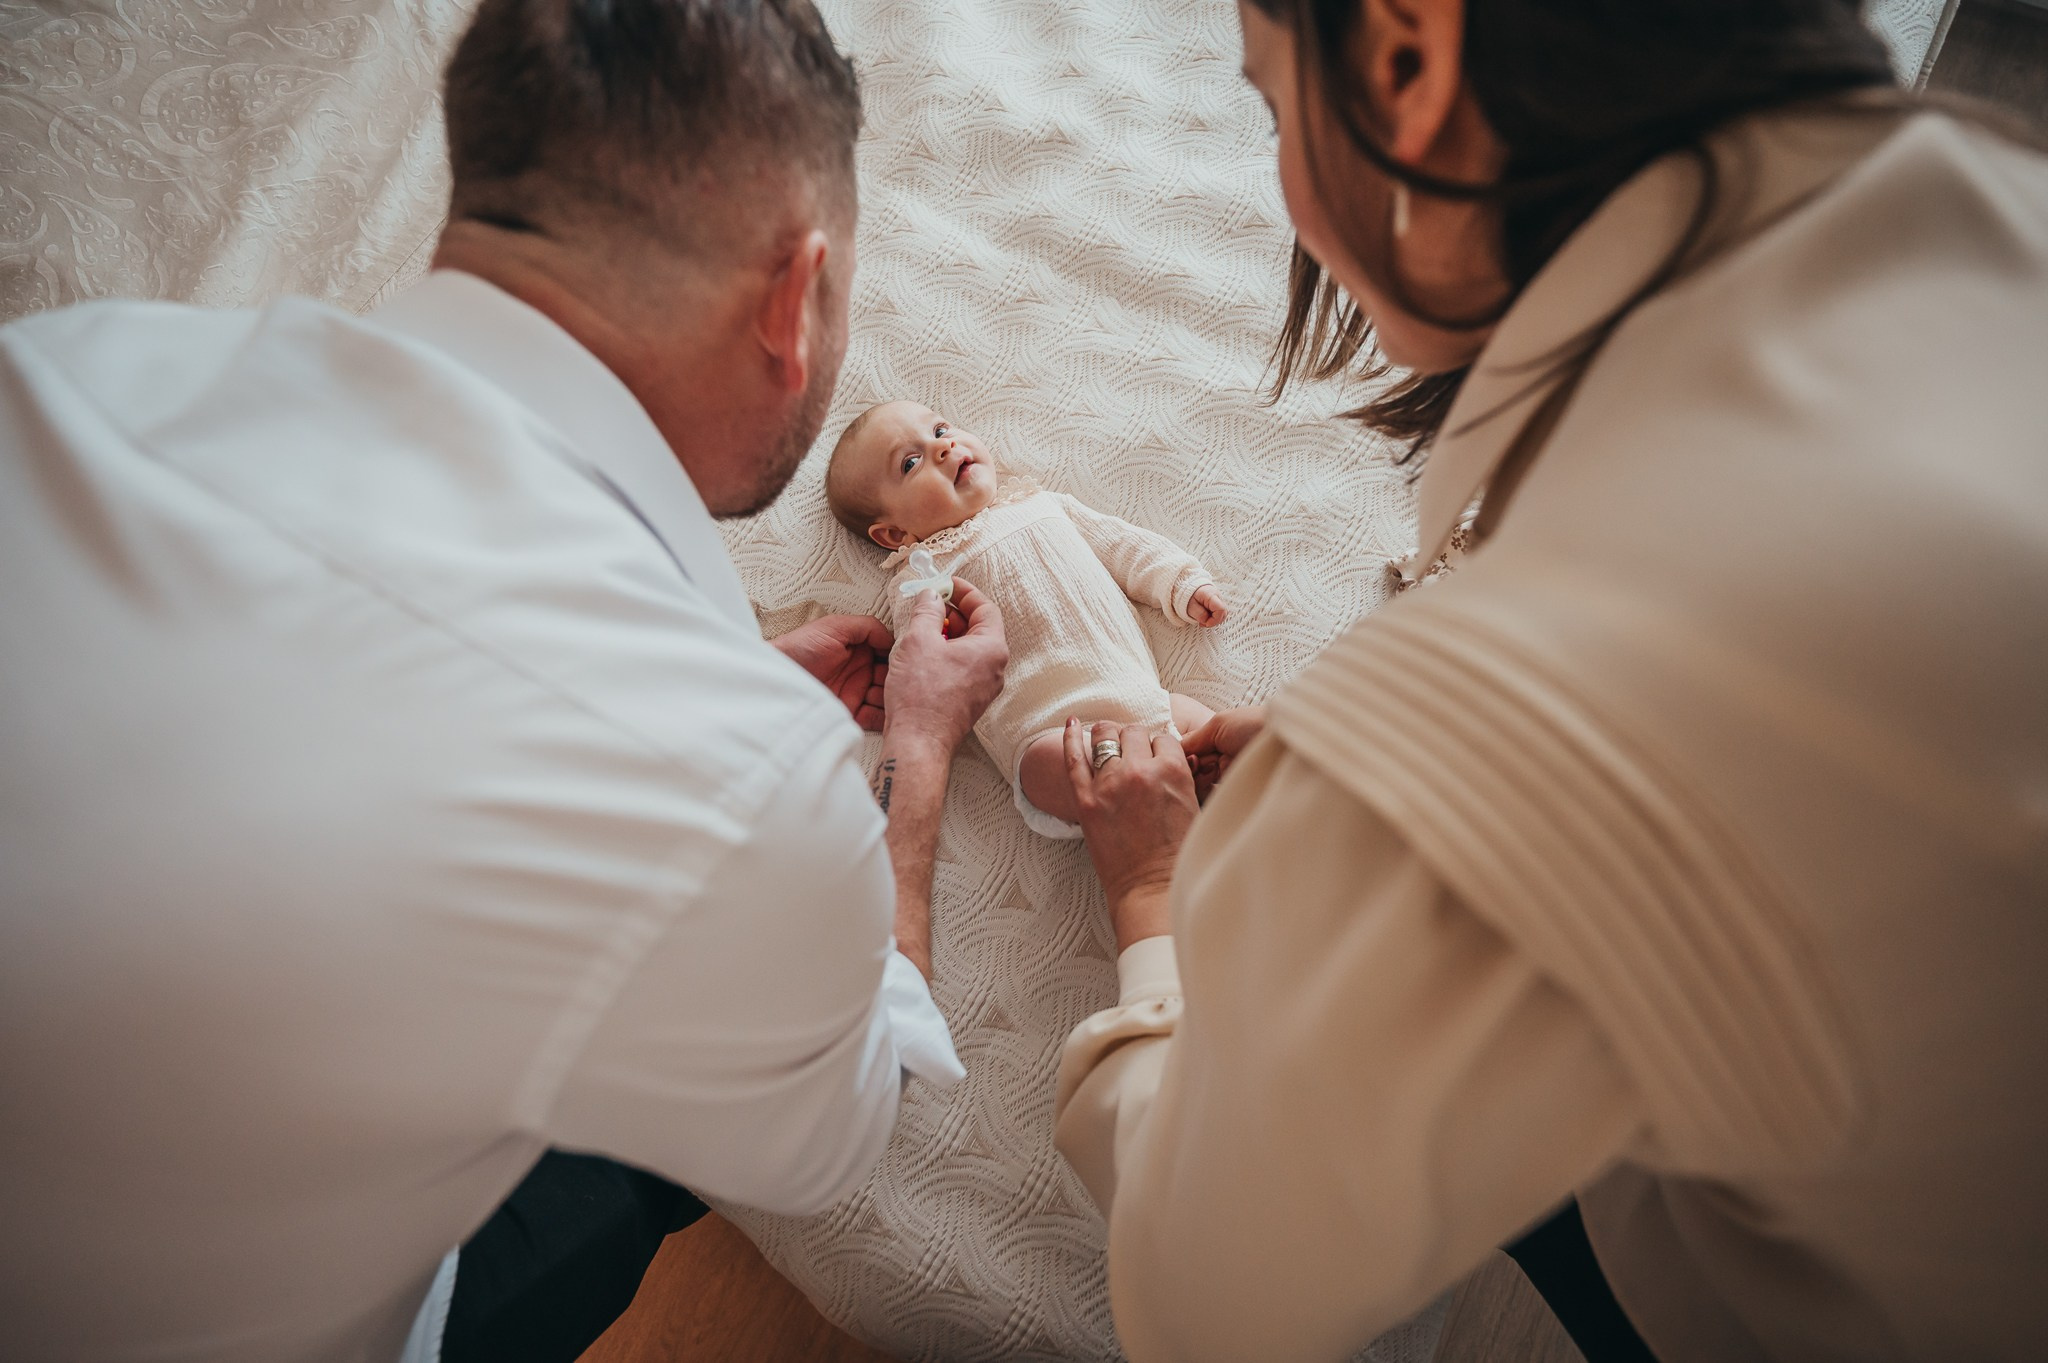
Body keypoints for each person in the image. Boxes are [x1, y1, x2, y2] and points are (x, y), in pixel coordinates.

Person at [0, 2, 1007, 1362]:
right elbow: (839, 1129)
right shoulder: (745, 790)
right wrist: (920, 762)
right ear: (793, 299)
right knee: (684, 1110)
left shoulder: (73, 361)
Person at [1050, 2, 2048, 1362]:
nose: (1287, 174)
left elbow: (1199, 1300)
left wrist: (1156, 897)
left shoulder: (1521, 699)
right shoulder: (2000, 194)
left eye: (1280, 113)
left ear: (1409, 57)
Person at [825, 399, 1227, 837]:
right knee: (1048, 767)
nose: (943, 448)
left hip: (1144, 699)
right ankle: (1159, 794)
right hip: (1051, 732)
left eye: (940, 431)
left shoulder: (1043, 503)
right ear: (895, 534)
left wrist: (1181, 583)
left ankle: (1198, 780)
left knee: (1219, 734)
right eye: (910, 462)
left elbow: (1121, 544)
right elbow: (923, 666)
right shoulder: (922, 577)